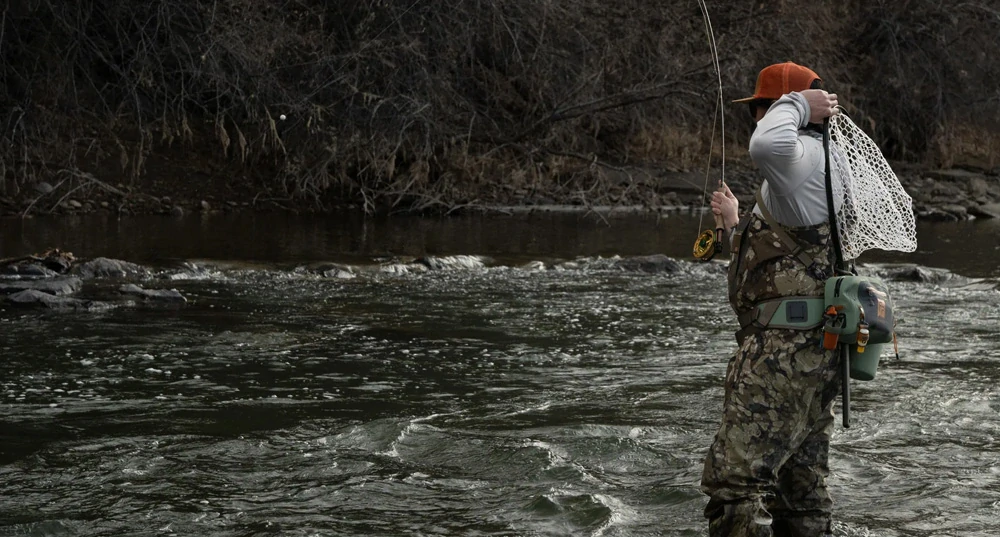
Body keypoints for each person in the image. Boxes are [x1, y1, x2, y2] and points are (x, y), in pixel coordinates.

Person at [700, 61, 845, 537]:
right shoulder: (815, 163)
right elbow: (778, 268)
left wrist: (797, 103)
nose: (757, 120)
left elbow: (765, 144)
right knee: (800, 488)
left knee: (733, 483)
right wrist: (734, 226)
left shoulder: (801, 155)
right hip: (810, 351)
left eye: (760, 109)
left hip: (784, 355)